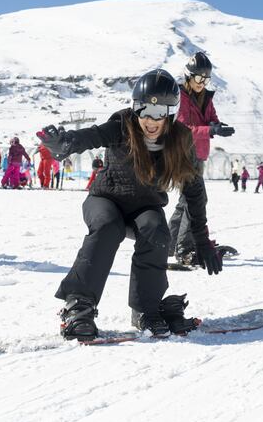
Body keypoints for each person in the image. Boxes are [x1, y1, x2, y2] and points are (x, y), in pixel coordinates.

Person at [37, 69, 222, 341]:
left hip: (145, 206)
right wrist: (65, 144)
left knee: (156, 231)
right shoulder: (123, 124)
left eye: (160, 113)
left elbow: (194, 192)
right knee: (107, 226)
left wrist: (202, 240)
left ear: (171, 113)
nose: (151, 119)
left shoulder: (181, 139)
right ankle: (79, 306)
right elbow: (92, 136)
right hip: (105, 198)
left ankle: (145, 309)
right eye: (144, 110)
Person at [167, 51, 235, 264]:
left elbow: (211, 117)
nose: (202, 83)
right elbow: (185, 128)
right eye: (198, 78)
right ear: (188, 76)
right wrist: (210, 131)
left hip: (198, 154)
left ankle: (168, 244)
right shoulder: (181, 97)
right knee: (197, 199)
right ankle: (185, 248)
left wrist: (217, 125)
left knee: (185, 201)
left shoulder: (206, 96)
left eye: (206, 79)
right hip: (183, 155)